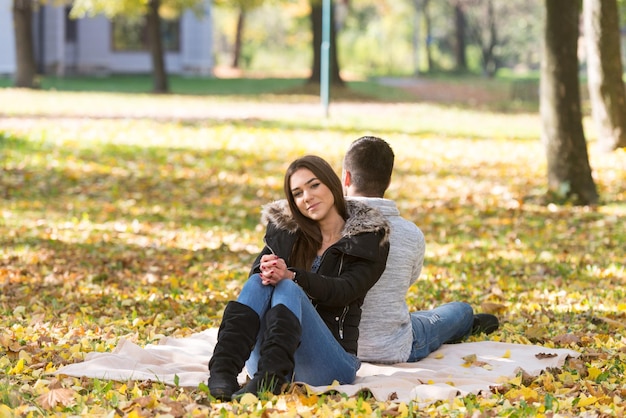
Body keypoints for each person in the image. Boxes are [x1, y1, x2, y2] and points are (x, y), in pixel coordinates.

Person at [208, 155, 390, 400]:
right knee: (258, 280)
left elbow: (346, 289)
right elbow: (257, 286)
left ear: (332, 184)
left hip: (331, 365)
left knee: (288, 286)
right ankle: (222, 373)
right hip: (269, 360)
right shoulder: (288, 232)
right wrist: (265, 268)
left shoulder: (368, 238)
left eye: (314, 185)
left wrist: (293, 276)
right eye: (297, 193)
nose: (307, 198)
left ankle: (271, 381)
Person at [342, 136, 499, 364]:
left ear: (346, 177)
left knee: (419, 319)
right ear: (388, 181)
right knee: (460, 310)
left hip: (338, 345)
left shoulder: (326, 228)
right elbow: (408, 280)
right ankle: (466, 321)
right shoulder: (410, 233)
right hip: (395, 347)